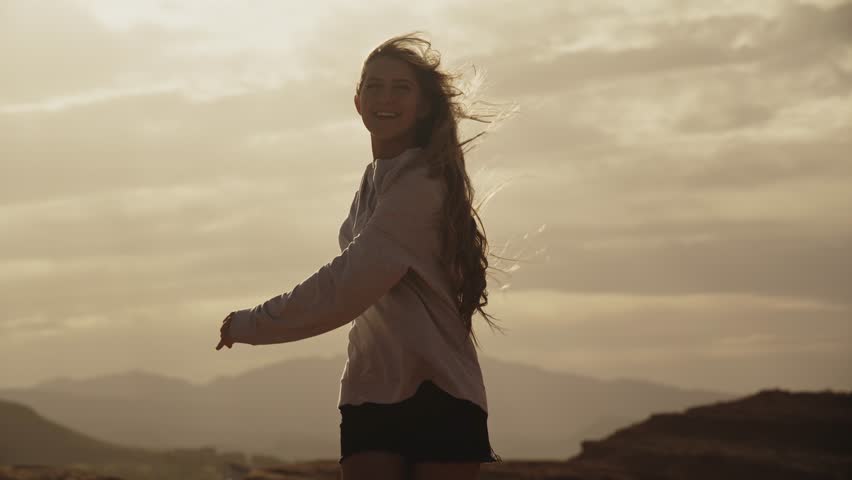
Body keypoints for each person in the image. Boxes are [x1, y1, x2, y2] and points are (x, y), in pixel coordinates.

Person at [216, 31, 508, 480]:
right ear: (357, 101)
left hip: (441, 393)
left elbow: (351, 282)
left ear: (424, 106)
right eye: (373, 86)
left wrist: (253, 322)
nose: (384, 97)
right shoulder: (375, 181)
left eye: (400, 87)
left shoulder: (421, 185)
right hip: (370, 391)